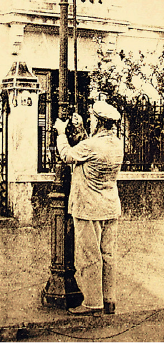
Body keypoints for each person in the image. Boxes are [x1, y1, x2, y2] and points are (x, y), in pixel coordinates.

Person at [54, 100, 123, 315]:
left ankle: (92, 303)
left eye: (93, 119)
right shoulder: (117, 144)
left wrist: (60, 133)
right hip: (110, 206)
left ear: (99, 123)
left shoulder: (90, 146)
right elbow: (90, 151)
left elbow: (67, 155)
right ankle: (109, 300)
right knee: (108, 254)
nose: (91, 120)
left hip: (89, 208)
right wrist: (83, 130)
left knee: (89, 255)